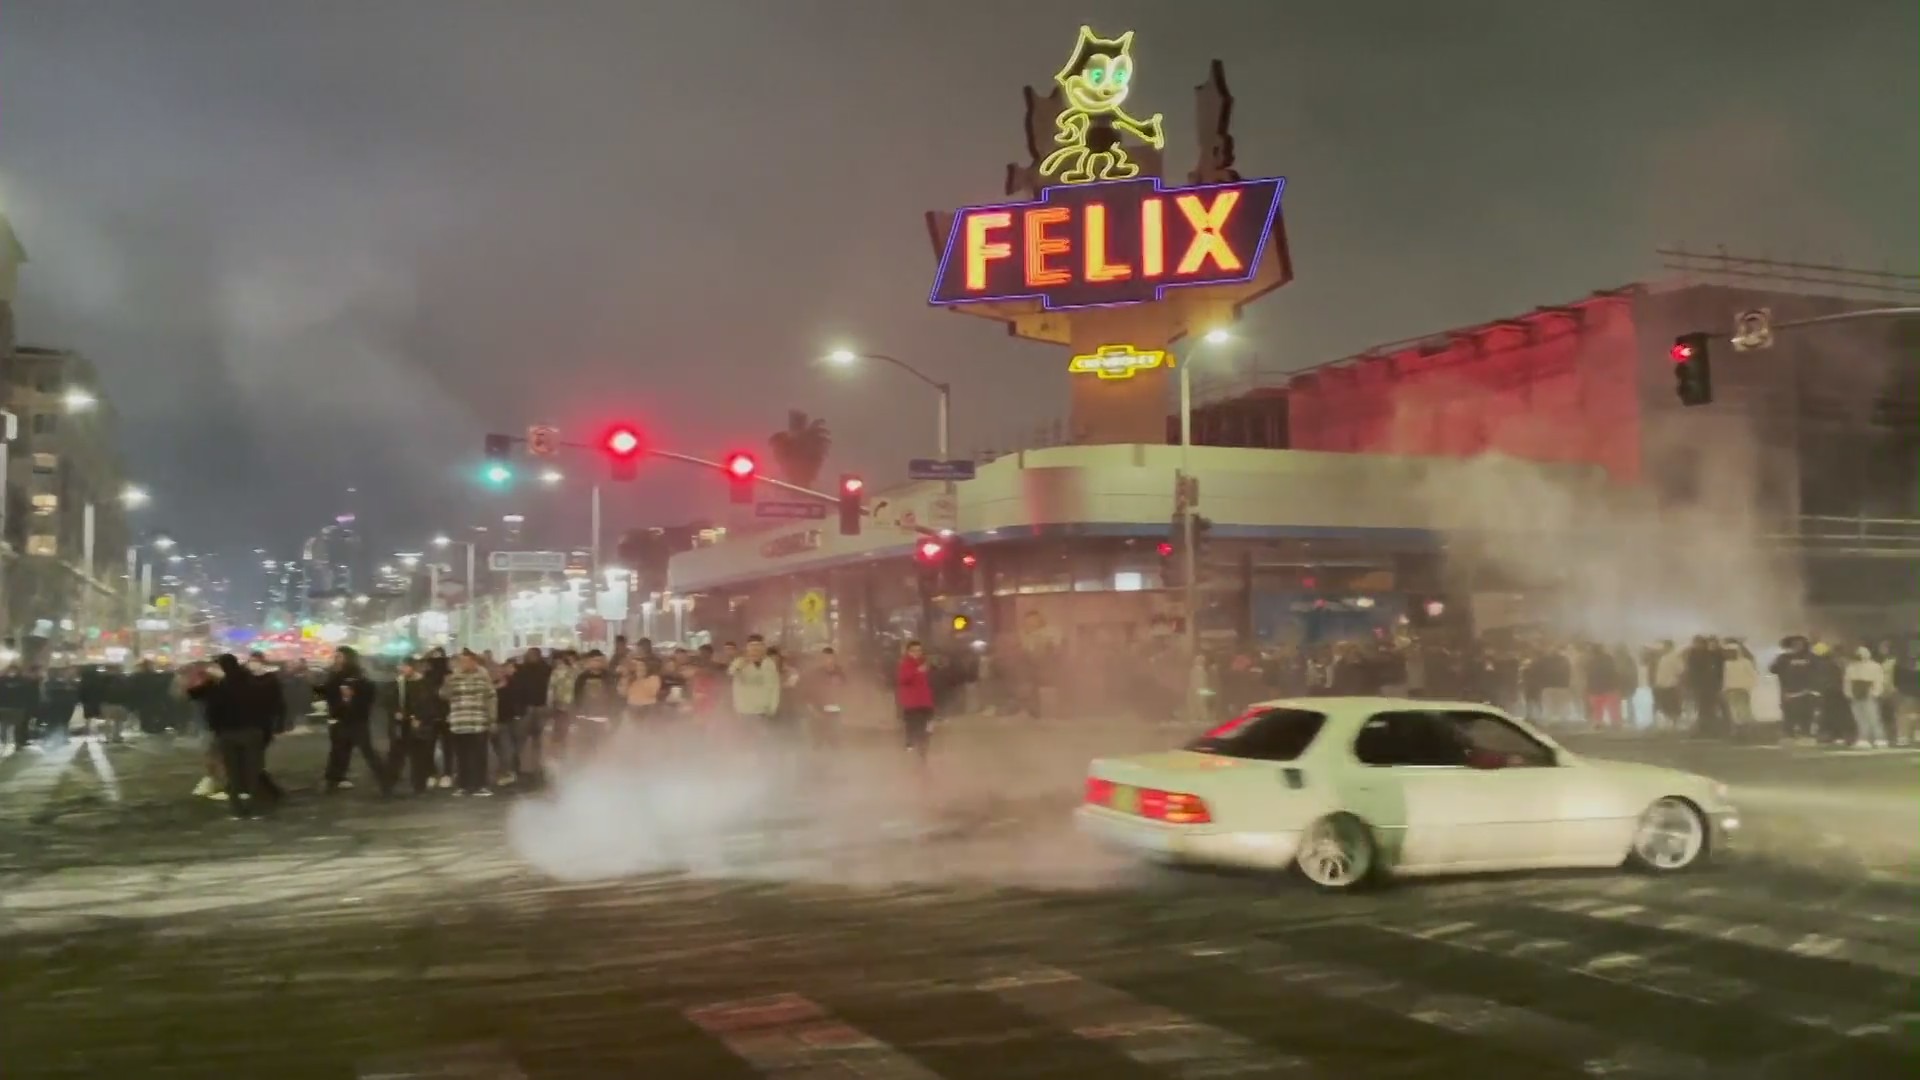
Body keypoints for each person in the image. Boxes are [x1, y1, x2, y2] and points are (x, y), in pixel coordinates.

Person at [185, 655, 266, 819]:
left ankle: (238, 809)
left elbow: (193, 694)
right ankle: (252, 807)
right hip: (250, 731)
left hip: (229, 733)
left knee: (234, 772)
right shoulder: (248, 681)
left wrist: (207, 680)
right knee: (251, 770)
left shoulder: (220, 686)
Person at [319, 646, 393, 795]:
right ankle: (333, 780)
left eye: (339, 656)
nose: (336, 659)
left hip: (356, 720)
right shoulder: (334, 675)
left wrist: (352, 697)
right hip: (339, 718)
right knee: (338, 751)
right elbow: (327, 692)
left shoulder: (358, 676)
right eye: (336, 656)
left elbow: (368, 694)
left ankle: (385, 780)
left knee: (367, 751)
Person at [441, 650, 497, 796]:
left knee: (480, 755)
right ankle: (463, 786)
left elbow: (491, 698)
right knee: (461, 756)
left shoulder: (483, 677)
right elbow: (444, 695)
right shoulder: (454, 677)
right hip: (459, 722)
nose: (463, 664)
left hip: (478, 722)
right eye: (461, 661)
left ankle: (480, 785)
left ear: (474, 662)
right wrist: (447, 684)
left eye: (466, 661)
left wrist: (492, 719)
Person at [896, 639, 936, 767]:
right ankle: (912, 756)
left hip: (926, 704)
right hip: (912, 705)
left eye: (919, 650)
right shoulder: (906, 664)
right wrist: (917, 671)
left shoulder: (924, 664)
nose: (917, 653)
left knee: (928, 730)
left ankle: (922, 755)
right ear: (908, 652)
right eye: (914, 650)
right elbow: (903, 679)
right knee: (914, 731)